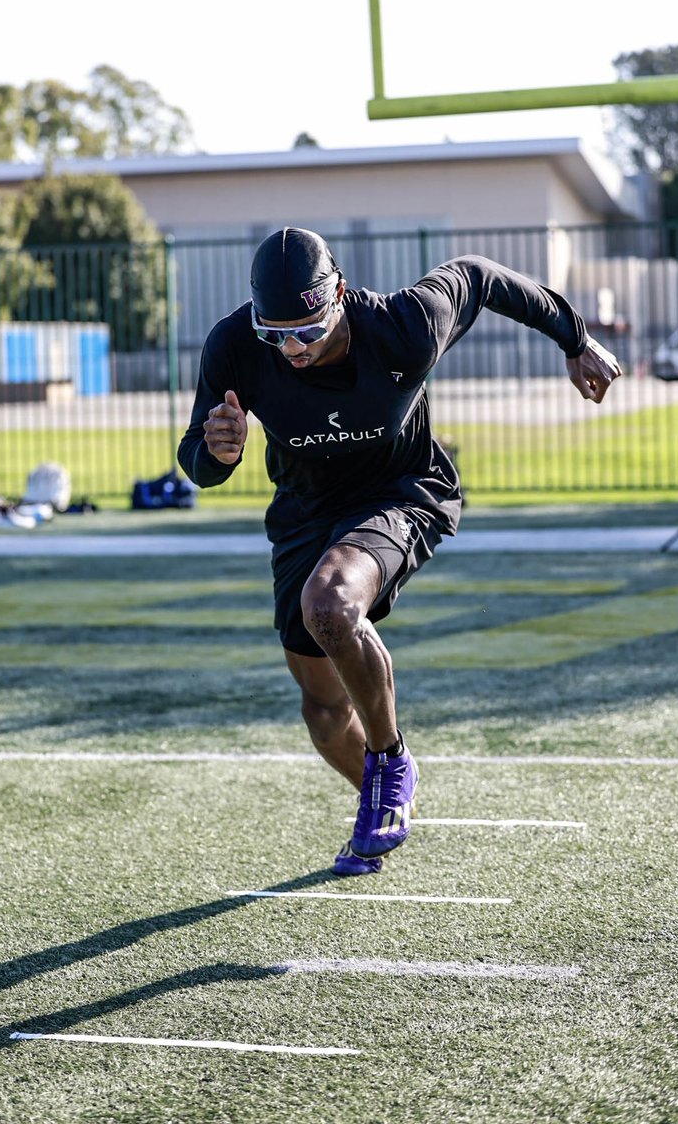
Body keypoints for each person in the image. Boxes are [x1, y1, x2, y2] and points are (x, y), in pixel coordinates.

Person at [178, 228, 621, 876]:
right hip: (305, 511)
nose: (292, 349)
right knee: (324, 713)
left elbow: (478, 274)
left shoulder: (404, 327)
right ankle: (379, 805)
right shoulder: (235, 345)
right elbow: (199, 459)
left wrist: (574, 338)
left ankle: (391, 760)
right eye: (275, 334)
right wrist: (215, 451)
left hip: (401, 494)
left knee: (328, 605)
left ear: (339, 295)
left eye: (307, 329)